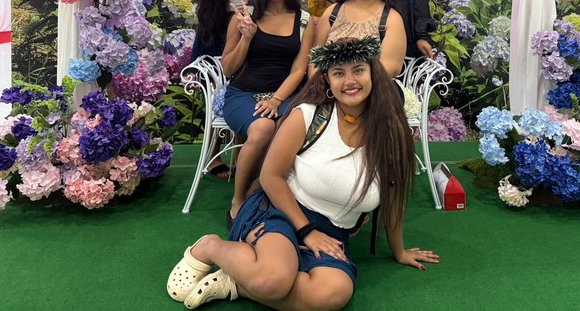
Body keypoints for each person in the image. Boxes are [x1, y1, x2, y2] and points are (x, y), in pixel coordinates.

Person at [166, 37, 439, 310]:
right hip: (280, 211)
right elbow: (270, 177)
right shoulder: (307, 115)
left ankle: (238, 282)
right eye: (338, 73)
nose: (349, 81)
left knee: (334, 294)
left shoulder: (392, 131)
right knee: (273, 280)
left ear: (373, 74)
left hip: (332, 232)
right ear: (327, 80)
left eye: (358, 70)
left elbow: (393, 194)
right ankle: (210, 247)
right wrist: (306, 231)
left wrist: (399, 251)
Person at [220, 0, 315, 224]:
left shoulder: (305, 21)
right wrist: (246, 38)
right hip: (243, 94)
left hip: (286, 95)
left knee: (288, 127)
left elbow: (299, 70)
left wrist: (276, 100)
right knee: (262, 128)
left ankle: (273, 195)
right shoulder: (244, 17)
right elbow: (228, 68)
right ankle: (239, 200)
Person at [313, 0, 406, 78]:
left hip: (375, 88)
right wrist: (326, 85)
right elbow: (314, 61)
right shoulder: (332, 12)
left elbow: (390, 68)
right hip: (329, 87)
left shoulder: (392, 19)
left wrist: (351, 85)